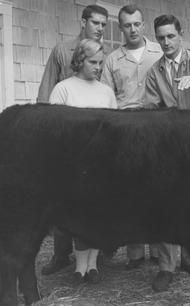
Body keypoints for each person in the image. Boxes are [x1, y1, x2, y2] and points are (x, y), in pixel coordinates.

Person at [37, 4, 109, 276]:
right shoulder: (62, 51)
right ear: (83, 22)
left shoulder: (106, 55)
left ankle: (93, 256)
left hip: (94, 142)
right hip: (67, 139)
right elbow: (47, 95)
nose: (100, 28)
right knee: (63, 200)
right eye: (96, 23)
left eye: (104, 24)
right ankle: (60, 254)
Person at [144, 14, 190, 291]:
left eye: (170, 36)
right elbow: (149, 110)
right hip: (168, 148)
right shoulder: (154, 72)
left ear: (180, 35)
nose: (166, 42)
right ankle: (165, 266)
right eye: (161, 37)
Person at [49, 39, 117, 284]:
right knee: (78, 216)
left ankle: (93, 265)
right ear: (79, 60)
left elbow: (113, 131)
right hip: (74, 164)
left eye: (101, 62)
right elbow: (54, 130)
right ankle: (79, 267)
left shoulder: (106, 92)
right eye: (92, 62)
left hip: (101, 164)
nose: (98, 67)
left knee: (97, 215)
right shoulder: (64, 88)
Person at [100, 4, 162, 271]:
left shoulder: (159, 51)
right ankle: (135, 253)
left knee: (159, 190)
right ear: (121, 27)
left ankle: (161, 251)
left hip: (156, 129)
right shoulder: (113, 59)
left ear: (143, 25)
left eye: (137, 24)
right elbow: (105, 97)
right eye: (127, 25)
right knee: (131, 191)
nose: (133, 29)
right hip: (125, 129)